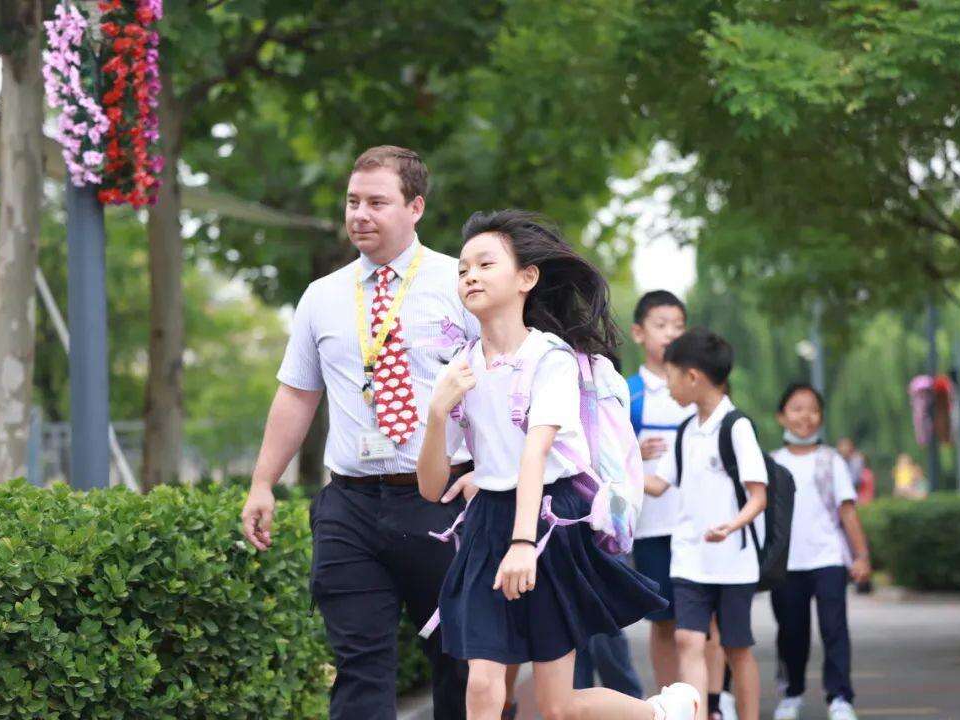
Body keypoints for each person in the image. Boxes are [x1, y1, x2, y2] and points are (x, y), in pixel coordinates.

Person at [417, 210, 701, 720]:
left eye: (485, 264)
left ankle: (662, 712)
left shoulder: (551, 359)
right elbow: (432, 486)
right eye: (463, 269)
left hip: (551, 522)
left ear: (526, 277)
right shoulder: (460, 366)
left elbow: (535, 453)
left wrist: (523, 543)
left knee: (557, 707)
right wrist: (438, 412)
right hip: (487, 523)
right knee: (481, 685)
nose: (471, 276)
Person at [239, 146, 476, 720]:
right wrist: (262, 482)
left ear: (415, 207)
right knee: (359, 664)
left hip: (441, 499)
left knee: (461, 660)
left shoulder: (462, 284)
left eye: (377, 202)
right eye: (352, 202)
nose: (360, 215)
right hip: (350, 504)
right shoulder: (322, 296)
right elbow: (297, 394)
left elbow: (502, 384)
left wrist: (493, 476)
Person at [647, 328, 768, 720]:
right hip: (690, 558)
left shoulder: (737, 427)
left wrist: (731, 527)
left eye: (671, 376)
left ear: (693, 376)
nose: (668, 386)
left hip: (733, 562)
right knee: (688, 639)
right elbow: (658, 485)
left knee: (736, 648)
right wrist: (611, 469)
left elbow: (759, 496)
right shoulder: (687, 430)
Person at [628, 291, 737, 720]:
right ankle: (670, 704)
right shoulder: (629, 393)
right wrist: (633, 452)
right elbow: (602, 453)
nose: (671, 333)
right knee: (664, 621)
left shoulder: (700, 386)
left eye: (678, 325)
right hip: (652, 526)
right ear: (639, 333)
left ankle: (714, 702)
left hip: (700, 526)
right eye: (661, 325)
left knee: (706, 622)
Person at [769, 383, 872, 720]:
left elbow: (847, 511)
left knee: (834, 629)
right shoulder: (772, 463)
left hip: (828, 559)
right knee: (791, 632)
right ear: (782, 416)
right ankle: (791, 693)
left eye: (813, 409)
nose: (806, 416)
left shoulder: (832, 460)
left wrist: (861, 556)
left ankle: (840, 697)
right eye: (797, 408)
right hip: (786, 564)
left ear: (821, 417)